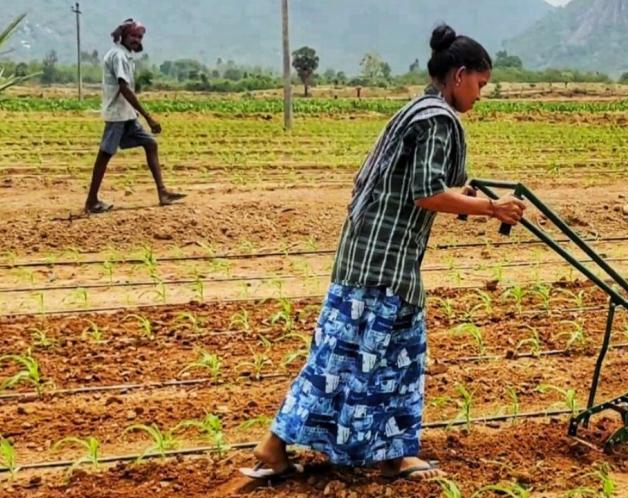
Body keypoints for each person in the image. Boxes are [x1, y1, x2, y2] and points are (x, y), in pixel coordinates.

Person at [240, 24, 526, 483]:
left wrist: (469, 198)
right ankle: (392, 454)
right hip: (388, 263)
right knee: (398, 355)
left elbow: (416, 184)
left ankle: (277, 446)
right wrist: (491, 207)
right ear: (459, 75)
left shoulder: (415, 109)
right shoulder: (439, 119)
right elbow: (426, 191)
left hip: (361, 252)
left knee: (336, 355)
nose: (480, 95)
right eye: (480, 85)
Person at [84, 18, 185, 214]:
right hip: (117, 115)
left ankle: (162, 193)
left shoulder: (126, 56)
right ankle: (91, 201)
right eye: (133, 36)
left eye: (139, 37)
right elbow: (124, 89)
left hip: (127, 114)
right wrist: (148, 117)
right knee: (104, 155)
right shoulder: (119, 56)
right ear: (123, 35)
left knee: (150, 143)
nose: (136, 40)